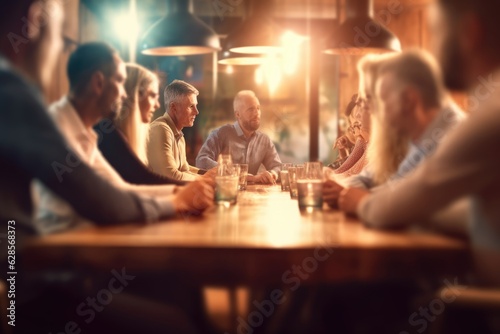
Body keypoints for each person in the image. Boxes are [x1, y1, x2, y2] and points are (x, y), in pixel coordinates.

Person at [355, 0, 500, 285]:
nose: (432, 46)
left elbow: (413, 193)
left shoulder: (490, 117)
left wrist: (363, 204)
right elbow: (472, 212)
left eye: (436, 32)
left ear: (469, 32)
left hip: (479, 310)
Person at [33, 42, 213, 234]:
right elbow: (105, 199)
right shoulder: (57, 127)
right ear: (98, 83)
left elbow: (121, 188)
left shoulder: (87, 133)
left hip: (81, 241)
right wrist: (175, 202)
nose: (125, 93)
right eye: (119, 81)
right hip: (53, 251)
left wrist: (177, 193)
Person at [325, 51, 466, 213]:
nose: (376, 112)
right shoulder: (418, 138)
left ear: (408, 100)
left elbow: (416, 202)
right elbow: (398, 188)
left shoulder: (454, 135)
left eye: (381, 100)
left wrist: (363, 201)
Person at [96, 63, 185, 186]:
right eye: (152, 96)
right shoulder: (110, 135)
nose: (157, 105)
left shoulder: (115, 133)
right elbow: (146, 179)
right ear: (134, 96)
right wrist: (205, 185)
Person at [195, 90, 282, 184]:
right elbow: (201, 161)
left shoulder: (264, 140)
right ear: (237, 114)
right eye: (251, 109)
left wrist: (272, 174)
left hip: (253, 195)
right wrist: (240, 174)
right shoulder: (221, 134)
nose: (257, 113)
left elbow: (277, 166)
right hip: (224, 191)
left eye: (258, 108)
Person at [148, 79, 205, 181]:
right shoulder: (161, 129)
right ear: (174, 107)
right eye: (191, 106)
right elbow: (170, 176)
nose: (196, 112)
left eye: (196, 106)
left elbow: (184, 170)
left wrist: (207, 174)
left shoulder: (178, 135)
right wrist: (207, 180)